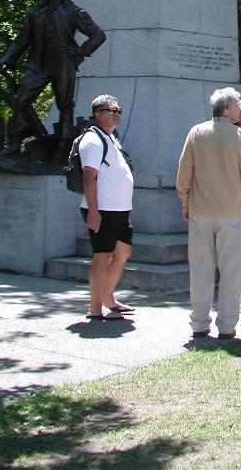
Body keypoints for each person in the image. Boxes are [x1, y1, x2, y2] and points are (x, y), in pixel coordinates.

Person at [176, 87, 241, 340]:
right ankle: (226, 325)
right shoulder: (240, 137)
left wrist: (186, 202)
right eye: (238, 104)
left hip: (201, 211)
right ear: (227, 107)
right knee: (232, 271)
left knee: (200, 270)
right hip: (233, 212)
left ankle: (199, 323)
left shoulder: (196, 132)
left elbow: (183, 174)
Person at [0, 0, 106, 156]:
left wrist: (80, 51)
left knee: (65, 104)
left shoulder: (73, 12)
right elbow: (20, 41)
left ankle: (63, 146)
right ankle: (14, 143)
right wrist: (6, 59)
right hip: (37, 64)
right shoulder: (35, 13)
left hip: (62, 63)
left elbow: (98, 34)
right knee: (20, 101)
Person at [79, 95, 134, 321]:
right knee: (102, 256)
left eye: (118, 110)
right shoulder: (92, 140)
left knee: (123, 252)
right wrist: (94, 211)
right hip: (103, 210)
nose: (116, 113)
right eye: (111, 110)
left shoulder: (111, 138)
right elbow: (89, 177)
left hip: (120, 209)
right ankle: (95, 308)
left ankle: (108, 298)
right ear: (97, 113)